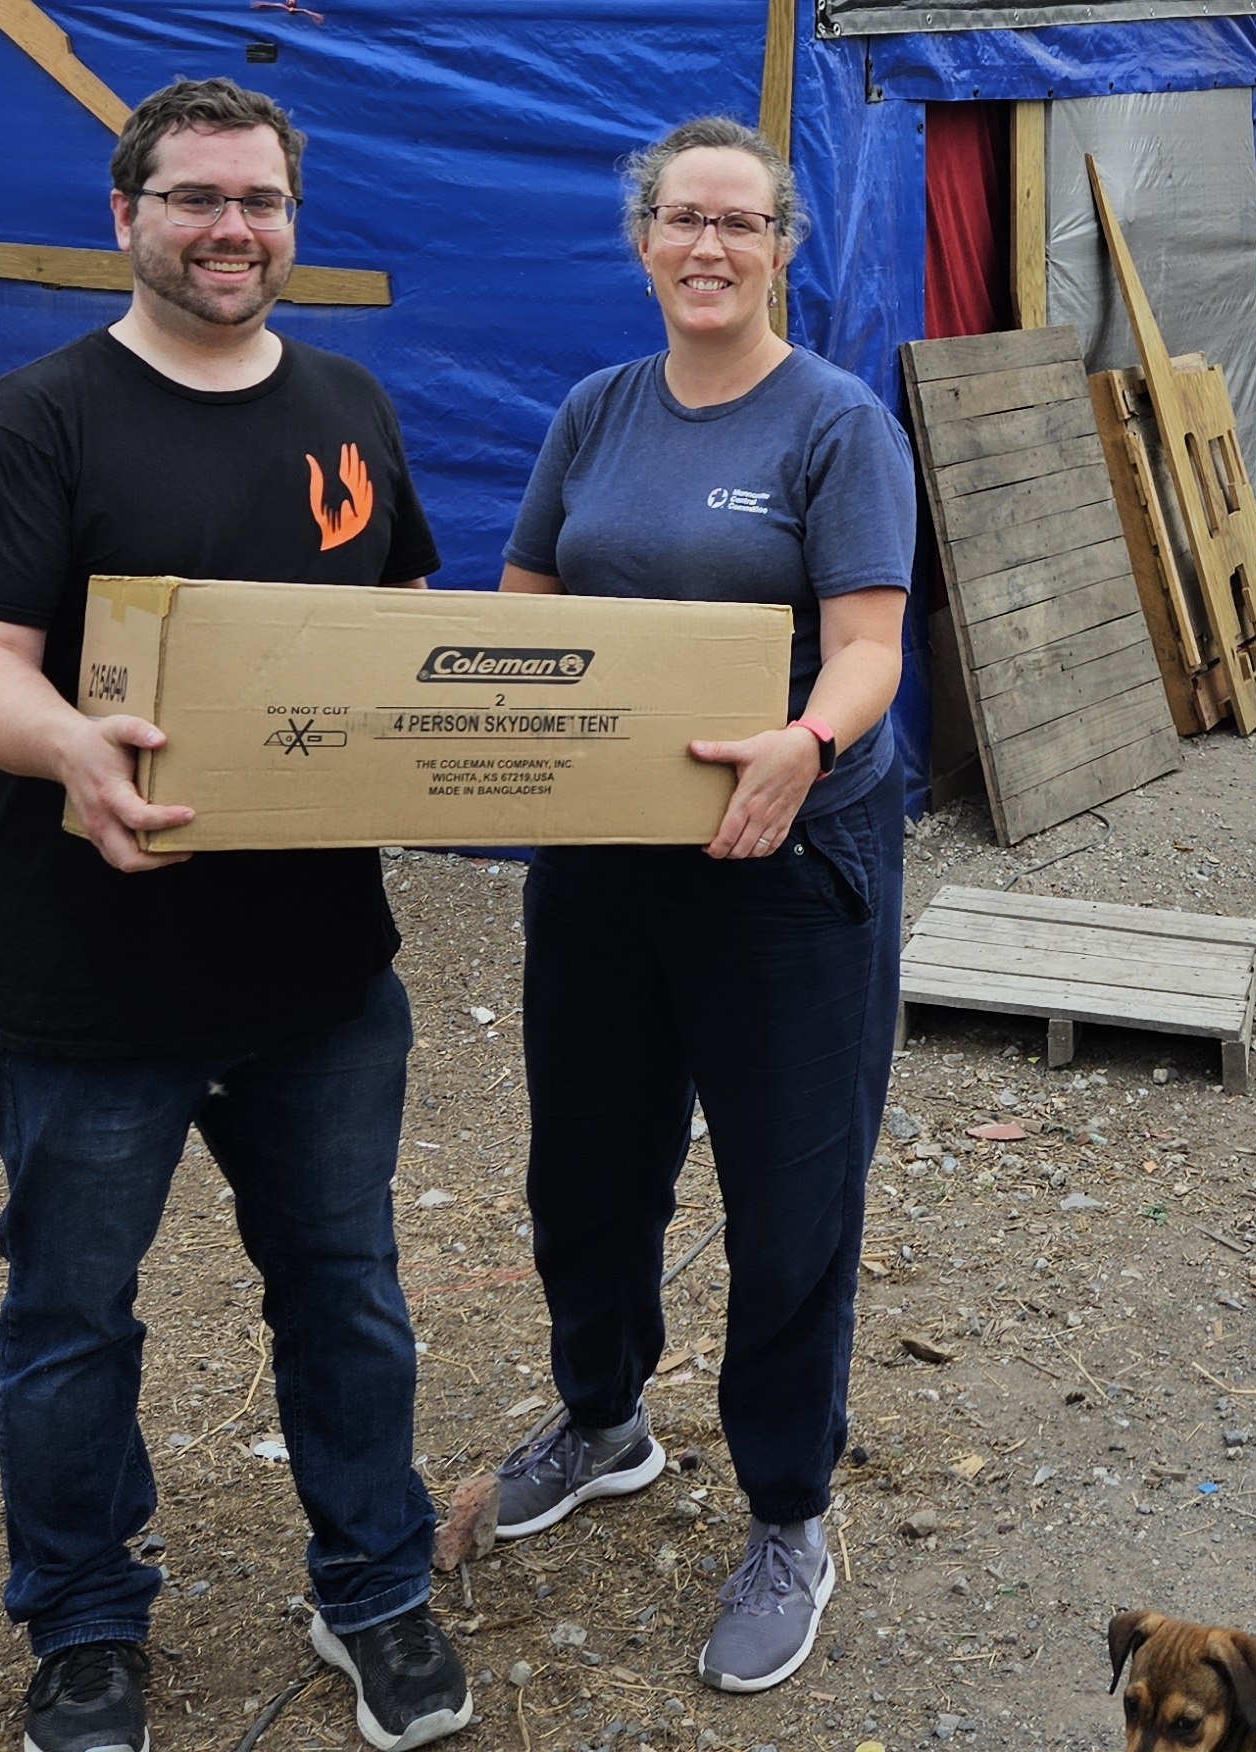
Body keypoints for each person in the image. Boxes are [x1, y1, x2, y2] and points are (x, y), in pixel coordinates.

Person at [0, 79, 476, 1752]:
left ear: (295, 220)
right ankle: (81, 1627)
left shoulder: (350, 404)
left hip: (319, 977)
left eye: (264, 201)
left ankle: (374, 1588)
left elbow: (400, 628)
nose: (235, 230)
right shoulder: (33, 424)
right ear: (125, 215)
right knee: (73, 1319)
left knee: (347, 1290)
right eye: (198, 198)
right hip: (91, 973)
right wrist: (69, 743)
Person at [482, 117, 915, 1698]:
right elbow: (524, 611)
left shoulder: (836, 424)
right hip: (600, 862)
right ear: (643, 241)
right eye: (684, 222)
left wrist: (803, 744)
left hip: (785, 871)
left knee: (792, 1201)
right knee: (587, 1170)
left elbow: (868, 643)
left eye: (742, 223)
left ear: (784, 246)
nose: (710, 249)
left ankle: (791, 1511)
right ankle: (602, 1421)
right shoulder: (597, 413)